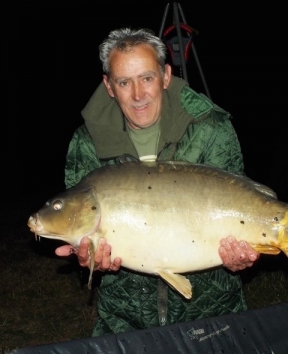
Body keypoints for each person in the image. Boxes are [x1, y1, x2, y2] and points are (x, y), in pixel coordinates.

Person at [55, 27, 259, 336]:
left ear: (165, 76)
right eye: (124, 82)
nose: (138, 95)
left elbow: (239, 206)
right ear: (109, 86)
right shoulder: (86, 144)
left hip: (213, 311)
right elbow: (84, 236)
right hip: (126, 320)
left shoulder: (212, 129)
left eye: (147, 78)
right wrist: (87, 259)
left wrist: (239, 258)